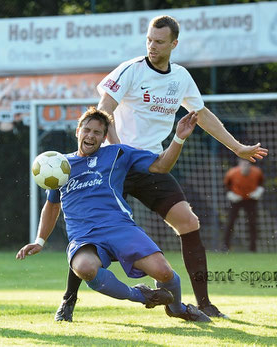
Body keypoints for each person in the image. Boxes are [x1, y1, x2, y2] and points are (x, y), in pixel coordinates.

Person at [56, 14, 268, 322]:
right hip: (114, 166)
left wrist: (237, 147)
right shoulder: (131, 69)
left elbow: (202, 114)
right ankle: (68, 301)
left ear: (174, 44)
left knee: (188, 221)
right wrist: (116, 149)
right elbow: (104, 108)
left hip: (149, 164)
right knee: (90, 227)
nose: (152, 47)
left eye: (159, 42)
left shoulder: (180, 77)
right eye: (149, 40)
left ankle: (204, 303)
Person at [17, 107, 211, 322]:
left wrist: (179, 138)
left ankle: (177, 309)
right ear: (77, 131)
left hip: (120, 228)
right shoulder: (60, 165)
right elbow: (52, 206)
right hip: (84, 236)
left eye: (97, 133)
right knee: (84, 267)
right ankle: (141, 295)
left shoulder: (118, 153)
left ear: (104, 137)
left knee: (164, 273)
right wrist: (40, 241)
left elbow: (161, 166)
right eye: (87, 130)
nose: (91, 135)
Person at [223, 159, 265, 252]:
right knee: (230, 222)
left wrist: (257, 192)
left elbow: (261, 184)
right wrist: (231, 195)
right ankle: (225, 246)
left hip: (251, 199)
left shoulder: (257, 172)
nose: (245, 166)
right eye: (243, 164)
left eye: (247, 164)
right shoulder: (232, 173)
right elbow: (226, 186)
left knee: (252, 223)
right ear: (239, 165)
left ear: (250, 165)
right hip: (236, 199)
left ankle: (253, 248)